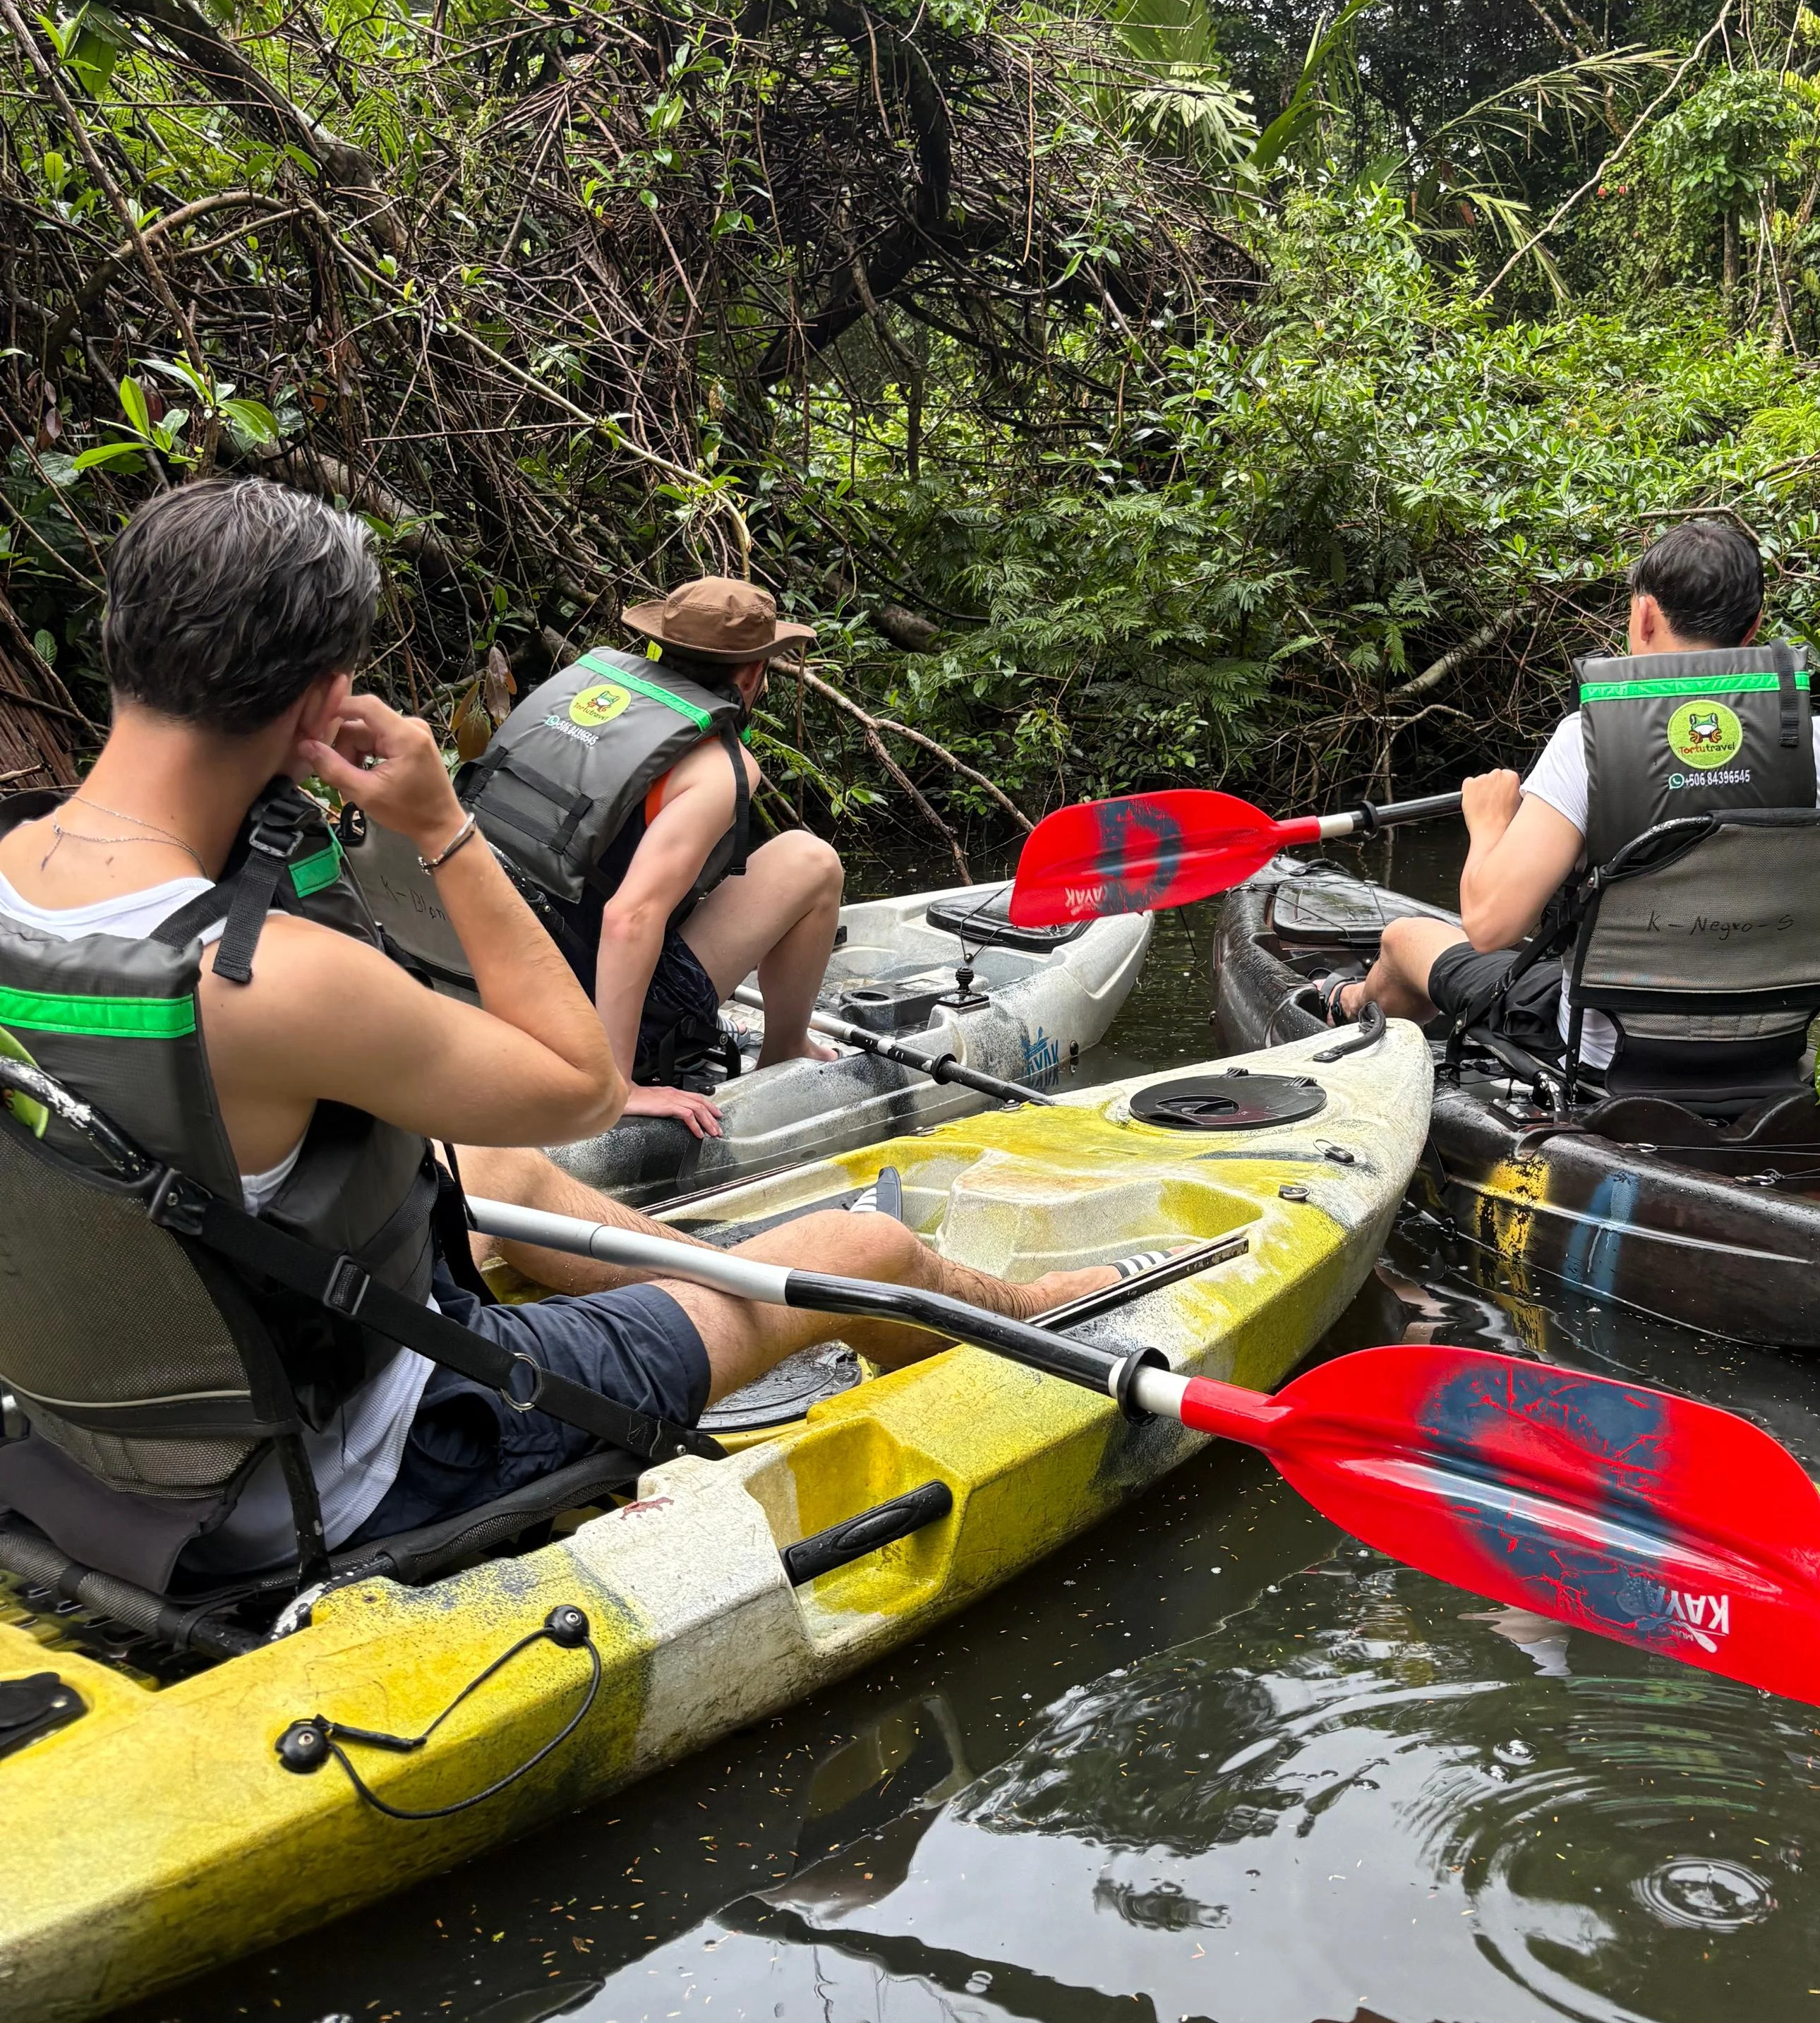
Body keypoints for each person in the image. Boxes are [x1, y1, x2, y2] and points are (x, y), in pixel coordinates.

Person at [0, 480, 1117, 1591]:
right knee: (853, 1253)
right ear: (324, 703)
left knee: (493, 1163)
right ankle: (1029, 1313)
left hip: (95, 1446)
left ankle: (704, 1297)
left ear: (121, 640)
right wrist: (441, 824)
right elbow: (585, 1084)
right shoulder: (276, 980)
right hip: (376, 1468)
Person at [1327, 518, 1820, 1070]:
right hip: (1775, 1049)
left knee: (1408, 936)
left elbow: (1492, 926)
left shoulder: (1588, 743)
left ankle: (1353, 1006)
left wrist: (1488, 822)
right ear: (1754, 626)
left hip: (1608, 1059)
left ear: (1643, 615)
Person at [457, 575, 843, 1139]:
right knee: (811, 860)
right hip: (579, 1018)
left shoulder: (584, 702)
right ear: (753, 674)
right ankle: (786, 1050)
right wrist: (615, 1086)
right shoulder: (716, 766)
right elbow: (630, 917)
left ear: (662, 644)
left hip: (493, 974)